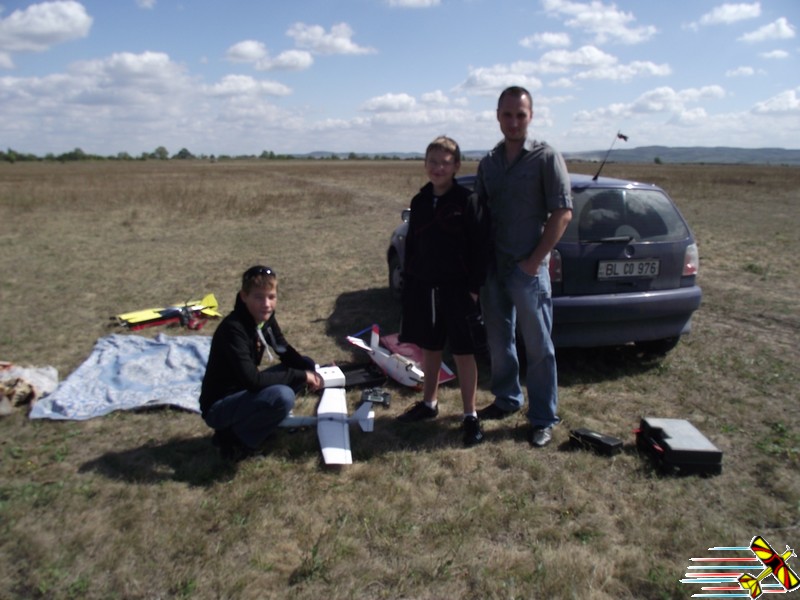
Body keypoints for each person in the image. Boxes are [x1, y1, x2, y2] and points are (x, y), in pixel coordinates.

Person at [476, 86, 573, 448]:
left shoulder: (546, 157)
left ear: (531, 116)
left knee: (538, 346)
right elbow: (479, 215)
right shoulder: (489, 162)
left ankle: (543, 417)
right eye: (507, 114)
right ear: (498, 116)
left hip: (528, 271)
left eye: (520, 115)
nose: (514, 122)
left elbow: (563, 213)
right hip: (494, 269)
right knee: (499, 341)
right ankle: (507, 398)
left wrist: (534, 263)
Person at [395, 135, 490, 447]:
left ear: (456, 166)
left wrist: (473, 290)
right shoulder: (420, 200)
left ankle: (470, 415)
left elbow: (480, 248)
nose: (438, 168)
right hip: (425, 287)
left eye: (445, 163)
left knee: (463, 351)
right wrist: (411, 281)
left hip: (458, 290)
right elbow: (412, 245)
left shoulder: (467, 200)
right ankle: (429, 403)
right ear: (425, 164)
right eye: (433, 162)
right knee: (430, 347)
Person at [200, 265, 323, 460]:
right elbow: (253, 381)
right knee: (282, 396)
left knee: (305, 363)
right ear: (244, 296)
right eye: (258, 297)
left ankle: (258, 424)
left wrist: (316, 371)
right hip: (219, 406)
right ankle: (234, 441)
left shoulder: (264, 319)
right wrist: (301, 376)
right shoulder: (234, 329)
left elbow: (283, 350)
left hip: (243, 393)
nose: (266, 304)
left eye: (271, 297)